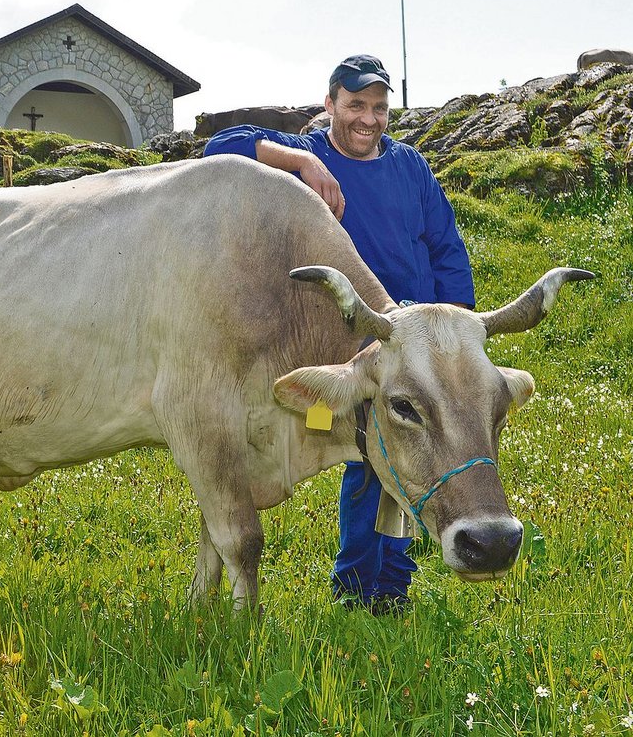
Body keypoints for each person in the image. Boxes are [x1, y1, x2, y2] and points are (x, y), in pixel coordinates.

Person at [202, 54, 475, 615]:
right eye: (354, 105)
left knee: (405, 461)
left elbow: (445, 246)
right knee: (365, 461)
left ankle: (390, 586)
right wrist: (301, 161)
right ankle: (357, 585)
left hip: (414, 340)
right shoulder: (311, 155)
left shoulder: (410, 166)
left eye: (378, 108)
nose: (367, 119)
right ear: (329, 104)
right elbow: (219, 150)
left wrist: (455, 330)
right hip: (345, 346)